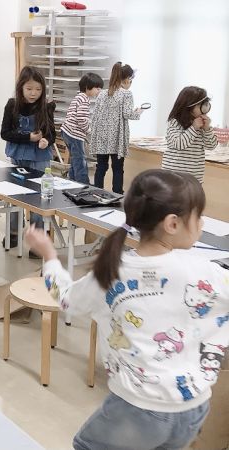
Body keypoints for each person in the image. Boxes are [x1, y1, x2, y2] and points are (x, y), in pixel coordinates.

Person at [25, 169, 228, 450]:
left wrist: (49, 256)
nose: (202, 223)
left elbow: (67, 298)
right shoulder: (207, 271)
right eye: (199, 216)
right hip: (194, 409)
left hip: (139, 408)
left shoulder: (112, 272)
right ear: (172, 223)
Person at [1, 66, 56, 248]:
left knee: (38, 197)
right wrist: (28, 138)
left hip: (40, 158)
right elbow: (5, 133)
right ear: (21, 87)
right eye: (29, 88)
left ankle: (37, 239)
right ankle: (13, 233)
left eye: (38, 89)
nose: (34, 93)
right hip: (17, 155)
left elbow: (51, 133)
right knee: (15, 194)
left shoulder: (46, 106)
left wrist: (46, 140)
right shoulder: (12, 105)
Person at [91, 62, 144, 194]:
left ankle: (96, 193)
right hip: (117, 138)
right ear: (127, 79)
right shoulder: (126, 94)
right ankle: (117, 195)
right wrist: (138, 112)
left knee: (101, 167)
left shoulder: (102, 93)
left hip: (101, 136)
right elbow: (127, 114)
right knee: (118, 168)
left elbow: (95, 114)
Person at [162, 86, 218, 183]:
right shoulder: (175, 122)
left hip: (194, 178)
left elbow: (211, 146)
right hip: (173, 176)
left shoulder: (201, 123)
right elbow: (179, 144)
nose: (205, 108)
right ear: (189, 106)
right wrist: (193, 128)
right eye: (201, 105)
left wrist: (207, 129)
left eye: (206, 104)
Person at [61, 73, 104, 184]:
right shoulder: (85, 100)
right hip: (74, 134)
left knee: (75, 159)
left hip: (67, 132)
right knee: (80, 160)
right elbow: (81, 119)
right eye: (97, 88)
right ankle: (83, 184)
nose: (99, 91)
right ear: (87, 87)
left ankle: (72, 181)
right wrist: (89, 130)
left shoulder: (78, 97)